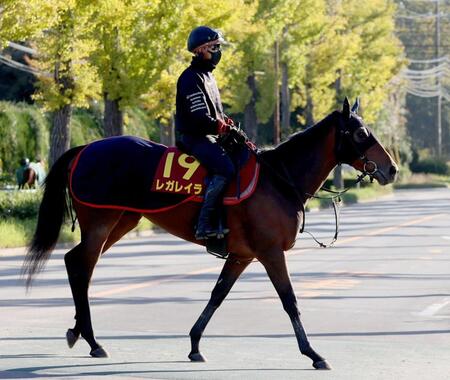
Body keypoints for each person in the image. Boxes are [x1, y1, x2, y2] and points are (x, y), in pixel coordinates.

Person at [175, 26, 235, 240]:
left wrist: (226, 122)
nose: (219, 51)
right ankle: (204, 224)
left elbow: (215, 113)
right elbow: (200, 117)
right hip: (194, 138)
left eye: (219, 46)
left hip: (210, 136)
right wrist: (219, 126)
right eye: (214, 47)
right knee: (225, 168)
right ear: (200, 49)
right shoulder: (190, 78)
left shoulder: (208, 75)